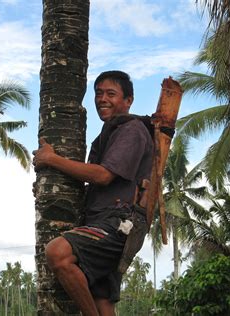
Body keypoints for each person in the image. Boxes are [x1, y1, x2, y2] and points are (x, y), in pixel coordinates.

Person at [33, 70, 153, 316]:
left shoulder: (132, 130)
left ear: (128, 100)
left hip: (119, 223)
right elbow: (100, 184)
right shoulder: (109, 134)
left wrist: (52, 160)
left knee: (58, 253)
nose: (102, 99)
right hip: (104, 220)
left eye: (111, 94)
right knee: (102, 301)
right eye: (99, 93)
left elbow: (103, 175)